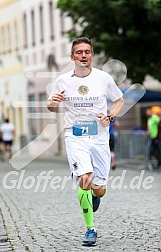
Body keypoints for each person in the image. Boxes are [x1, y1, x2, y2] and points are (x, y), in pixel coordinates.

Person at [47, 37, 124, 246]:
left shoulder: (103, 78)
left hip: (99, 137)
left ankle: (95, 196)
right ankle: (90, 229)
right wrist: (52, 102)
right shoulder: (63, 80)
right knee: (85, 179)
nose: (83, 56)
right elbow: (51, 106)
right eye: (79, 52)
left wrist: (111, 116)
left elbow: (119, 100)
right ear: (72, 56)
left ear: (92, 56)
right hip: (75, 136)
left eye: (87, 52)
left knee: (99, 188)